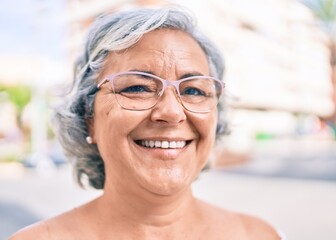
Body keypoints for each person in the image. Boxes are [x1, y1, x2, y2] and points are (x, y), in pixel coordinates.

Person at [10, 6, 284, 240]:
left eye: (193, 91)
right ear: (88, 118)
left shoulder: (256, 234)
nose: (171, 112)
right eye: (138, 88)